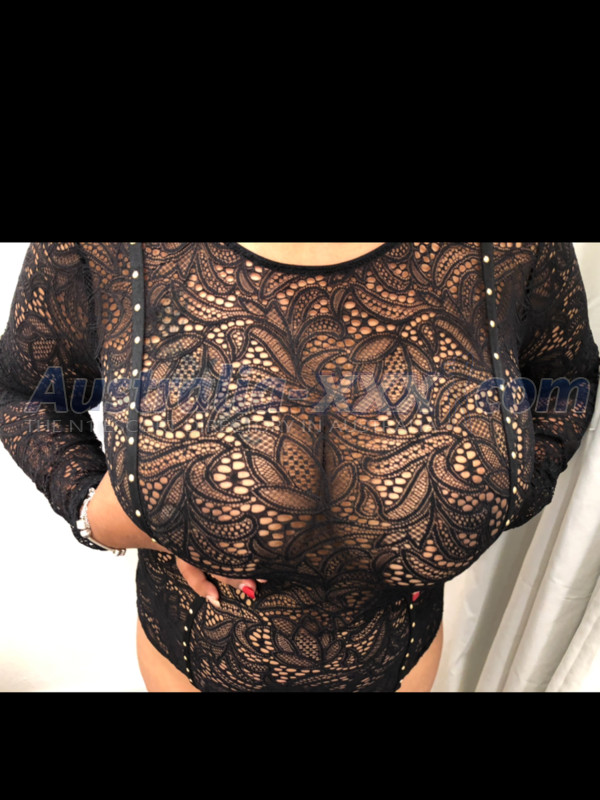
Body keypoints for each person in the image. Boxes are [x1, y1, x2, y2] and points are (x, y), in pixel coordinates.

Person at [0, 241, 597, 693]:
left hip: (399, 664)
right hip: (194, 660)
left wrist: (482, 503)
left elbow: (564, 384)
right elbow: (27, 394)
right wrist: (111, 513)